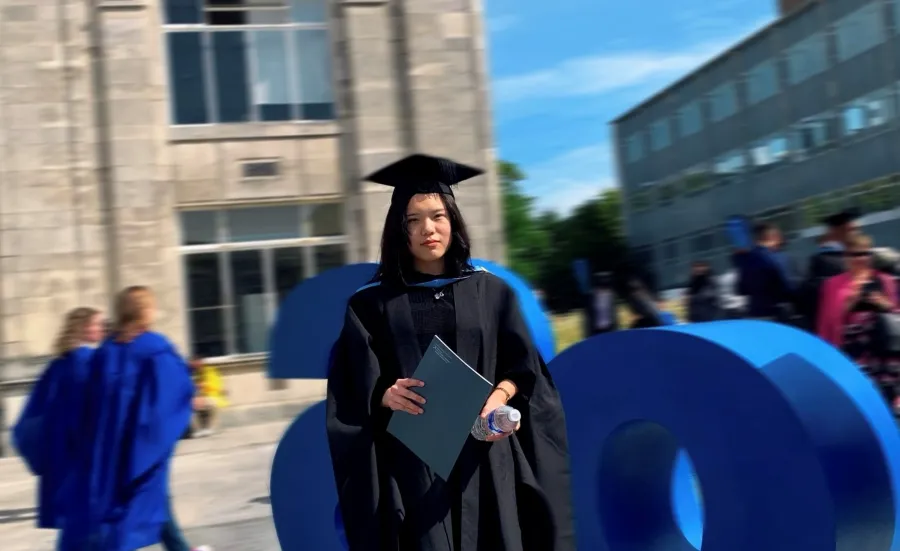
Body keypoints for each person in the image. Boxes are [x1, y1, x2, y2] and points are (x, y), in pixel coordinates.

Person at [325, 153, 574, 551]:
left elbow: (525, 368)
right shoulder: (370, 305)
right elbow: (349, 386)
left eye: (438, 216)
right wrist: (383, 394)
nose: (429, 229)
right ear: (399, 230)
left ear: (453, 221)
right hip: (414, 462)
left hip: (486, 457)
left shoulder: (492, 292)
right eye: (414, 219)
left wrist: (500, 397)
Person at [57, 286, 201, 551]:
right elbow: (173, 391)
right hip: (142, 446)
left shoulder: (105, 352)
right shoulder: (155, 348)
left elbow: (87, 400)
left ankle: (180, 547)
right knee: (145, 498)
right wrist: (189, 400)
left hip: (107, 447)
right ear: (145, 311)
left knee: (131, 502)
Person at [12, 307, 104, 530]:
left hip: (61, 451)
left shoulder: (57, 364)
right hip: (83, 451)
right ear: (84, 328)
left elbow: (36, 409)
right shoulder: (90, 362)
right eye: (97, 324)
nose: (101, 328)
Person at [817, 234, 899, 407]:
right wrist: (851, 301)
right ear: (846, 257)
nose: (861, 258)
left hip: (884, 348)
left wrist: (884, 303)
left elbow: (896, 314)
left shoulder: (886, 280)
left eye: (865, 253)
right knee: (864, 397)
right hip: (853, 348)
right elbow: (827, 321)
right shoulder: (833, 285)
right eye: (855, 254)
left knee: (888, 394)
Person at [799, 209, 861, 325]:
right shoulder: (825, 259)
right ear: (836, 231)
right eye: (851, 230)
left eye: (856, 229)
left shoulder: (855, 255)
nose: (857, 233)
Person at [733, 223, 796, 321]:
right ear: (773, 237)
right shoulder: (778, 258)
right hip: (778, 314)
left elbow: (741, 289)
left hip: (756, 313)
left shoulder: (746, 260)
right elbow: (790, 286)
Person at [188, 356, 228, 438]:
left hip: (214, 397)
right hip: (201, 399)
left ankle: (210, 429)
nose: (194, 366)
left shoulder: (210, 371)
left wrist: (204, 385)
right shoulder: (195, 374)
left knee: (212, 404)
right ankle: (198, 430)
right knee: (189, 406)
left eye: (195, 364)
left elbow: (218, 387)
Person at [584, 271, 618, 336]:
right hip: (597, 330)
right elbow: (589, 319)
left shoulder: (611, 295)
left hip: (609, 328)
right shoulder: (591, 297)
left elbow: (613, 315)